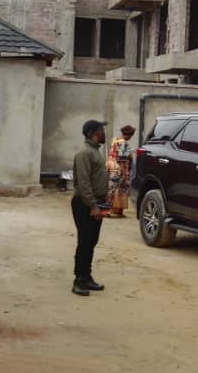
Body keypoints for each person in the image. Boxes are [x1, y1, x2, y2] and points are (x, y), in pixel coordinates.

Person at [72, 119, 109, 296]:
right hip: (85, 204)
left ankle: (87, 277)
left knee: (92, 241)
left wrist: (103, 203)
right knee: (85, 242)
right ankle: (79, 280)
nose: (104, 133)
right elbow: (84, 183)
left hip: (96, 202)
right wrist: (93, 206)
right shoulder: (84, 153)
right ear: (93, 133)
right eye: (101, 130)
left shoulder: (95, 151)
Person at [106, 125, 136, 218]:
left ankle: (115, 211)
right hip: (119, 169)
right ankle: (112, 211)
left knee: (112, 189)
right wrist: (124, 174)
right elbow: (122, 160)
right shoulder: (123, 143)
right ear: (129, 135)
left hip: (111, 167)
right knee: (119, 190)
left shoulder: (115, 140)